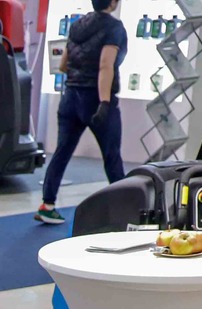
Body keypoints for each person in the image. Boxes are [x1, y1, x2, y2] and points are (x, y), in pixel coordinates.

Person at [32, 0, 124, 224]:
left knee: (62, 152)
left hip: (71, 96)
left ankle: (47, 205)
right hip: (96, 98)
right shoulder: (114, 28)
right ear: (112, 3)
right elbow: (105, 65)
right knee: (112, 156)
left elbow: (63, 64)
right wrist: (104, 102)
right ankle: (126, 208)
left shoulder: (77, 26)